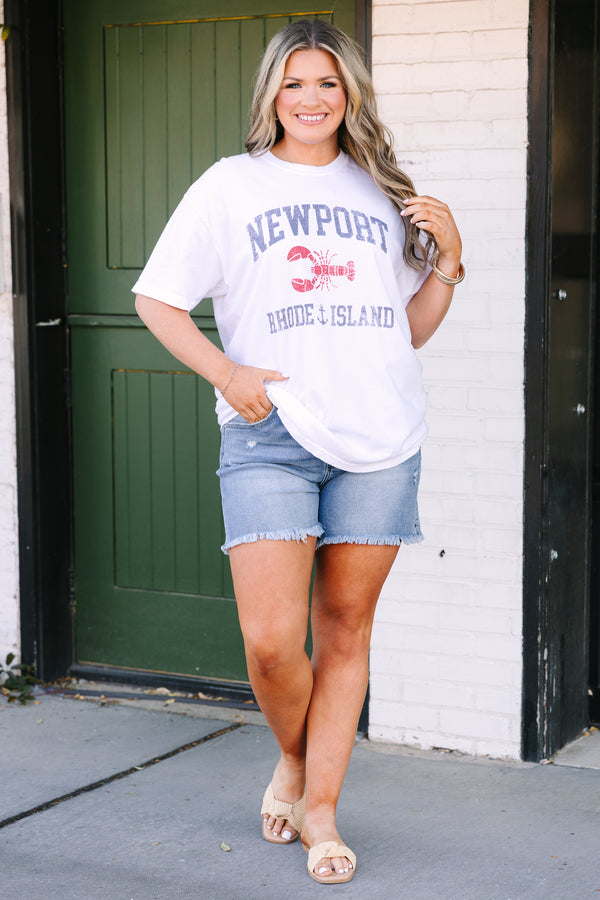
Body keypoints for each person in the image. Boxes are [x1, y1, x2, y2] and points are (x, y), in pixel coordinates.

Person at [133, 19, 463, 885]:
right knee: (274, 643)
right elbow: (158, 299)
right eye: (294, 83)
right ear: (270, 95)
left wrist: (449, 262)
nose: (311, 99)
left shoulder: (382, 191)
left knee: (345, 629)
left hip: (380, 439)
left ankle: (321, 810)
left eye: (327, 83)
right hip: (271, 433)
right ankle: (293, 754)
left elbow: (408, 332)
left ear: (349, 94)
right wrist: (226, 371)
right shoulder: (230, 186)